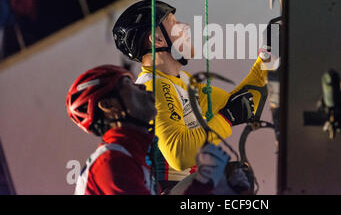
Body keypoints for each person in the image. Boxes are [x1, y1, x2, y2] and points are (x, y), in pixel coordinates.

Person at [112, 0, 269, 191]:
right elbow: (179, 156)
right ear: (158, 40)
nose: (185, 27)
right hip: (173, 189)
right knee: (232, 178)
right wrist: (227, 118)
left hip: (188, 188)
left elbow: (244, 102)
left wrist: (269, 57)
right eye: (175, 23)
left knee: (234, 177)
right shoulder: (153, 86)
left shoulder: (180, 80)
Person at [66, 64, 231, 195]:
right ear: (109, 106)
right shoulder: (112, 162)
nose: (142, 87)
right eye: (128, 84)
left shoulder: (133, 158)